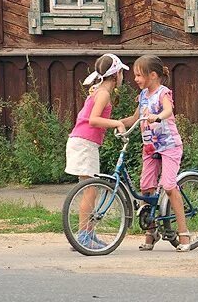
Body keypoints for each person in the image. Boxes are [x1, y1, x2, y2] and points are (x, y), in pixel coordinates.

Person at [65, 53, 130, 250]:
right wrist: (117, 123)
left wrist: (133, 118)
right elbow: (93, 120)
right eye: (121, 73)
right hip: (84, 143)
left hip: (83, 142)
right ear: (117, 74)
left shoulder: (99, 91)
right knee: (90, 190)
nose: (122, 77)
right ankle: (83, 236)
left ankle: (86, 233)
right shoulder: (103, 93)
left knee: (89, 189)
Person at [128, 55, 191, 252]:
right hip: (149, 147)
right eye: (135, 75)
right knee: (146, 187)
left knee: (169, 185)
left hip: (169, 145)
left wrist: (158, 117)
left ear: (153, 75)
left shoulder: (163, 93)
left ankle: (184, 234)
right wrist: (119, 124)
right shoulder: (142, 97)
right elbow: (135, 118)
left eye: (139, 75)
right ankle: (151, 232)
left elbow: (168, 111)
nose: (136, 79)